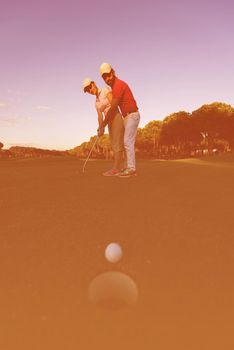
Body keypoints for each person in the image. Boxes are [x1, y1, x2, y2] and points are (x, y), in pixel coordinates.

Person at [99, 63, 140, 178]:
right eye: (104, 77)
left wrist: (103, 124)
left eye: (108, 75)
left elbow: (113, 107)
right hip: (127, 116)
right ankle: (127, 167)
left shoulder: (118, 85)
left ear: (113, 72)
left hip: (132, 115)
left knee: (127, 141)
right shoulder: (114, 86)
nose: (107, 78)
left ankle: (131, 169)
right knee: (125, 142)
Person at [82, 78, 124, 176]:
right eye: (87, 90)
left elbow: (114, 105)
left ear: (94, 83)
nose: (90, 90)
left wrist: (103, 124)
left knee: (117, 142)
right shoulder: (96, 103)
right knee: (114, 144)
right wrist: (100, 127)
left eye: (90, 87)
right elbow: (100, 116)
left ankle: (116, 169)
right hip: (108, 121)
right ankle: (119, 167)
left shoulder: (105, 90)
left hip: (116, 116)